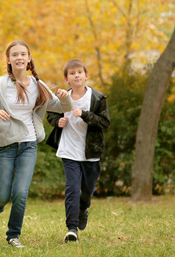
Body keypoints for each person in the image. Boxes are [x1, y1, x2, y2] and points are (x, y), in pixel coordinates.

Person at [0, 40, 73, 248]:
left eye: (23, 54)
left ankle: (13, 235)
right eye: (14, 55)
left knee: (20, 192)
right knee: (2, 195)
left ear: (29, 58)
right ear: (9, 60)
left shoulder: (39, 85)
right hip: (5, 146)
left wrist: (65, 98)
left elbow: (58, 105)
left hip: (28, 144)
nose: (19, 58)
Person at [45, 59, 110, 243]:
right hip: (68, 150)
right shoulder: (62, 98)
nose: (76, 75)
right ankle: (71, 229)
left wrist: (85, 114)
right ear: (67, 79)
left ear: (86, 75)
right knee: (72, 188)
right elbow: (51, 113)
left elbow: (105, 122)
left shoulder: (97, 98)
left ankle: (83, 208)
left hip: (91, 152)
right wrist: (57, 121)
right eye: (72, 73)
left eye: (79, 72)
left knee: (87, 191)